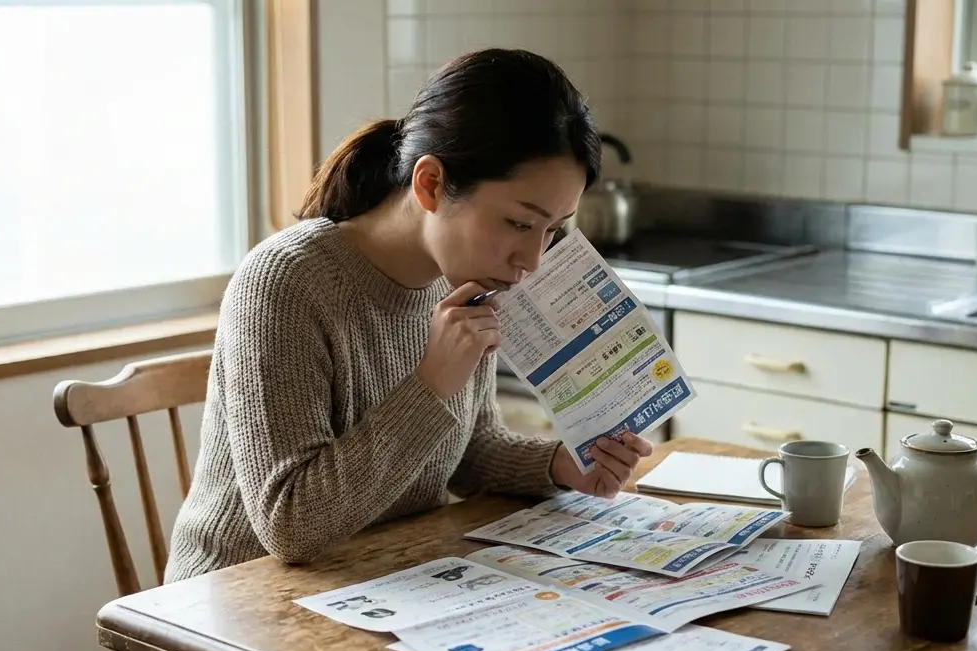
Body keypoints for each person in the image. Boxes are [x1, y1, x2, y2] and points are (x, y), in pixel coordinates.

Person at [164, 48, 653, 584]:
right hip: (240, 600)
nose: (532, 260)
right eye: (518, 223)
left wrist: (561, 465)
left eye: (553, 229)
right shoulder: (285, 282)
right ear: (431, 184)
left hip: (381, 577)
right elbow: (290, 525)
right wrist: (432, 382)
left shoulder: (466, 278)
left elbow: (467, 450)